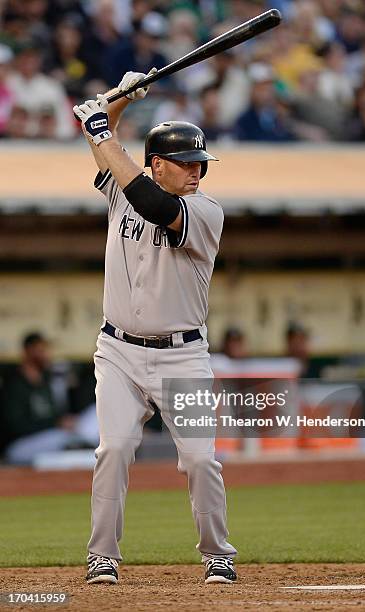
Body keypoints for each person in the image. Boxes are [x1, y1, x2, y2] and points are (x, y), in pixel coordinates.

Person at [73, 70, 237, 586]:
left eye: (200, 165)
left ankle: (217, 554)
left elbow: (152, 202)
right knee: (114, 448)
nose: (196, 173)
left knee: (199, 459)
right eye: (186, 164)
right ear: (157, 164)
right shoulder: (125, 189)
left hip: (182, 356)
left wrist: (101, 127)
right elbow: (110, 155)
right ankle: (103, 557)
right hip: (117, 352)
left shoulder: (204, 211)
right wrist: (120, 101)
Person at [2, 332, 78, 464]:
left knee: (76, 435)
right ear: (27, 352)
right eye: (40, 351)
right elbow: (16, 426)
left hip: (47, 439)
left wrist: (62, 422)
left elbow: (56, 415)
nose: (46, 355)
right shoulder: (14, 385)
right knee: (64, 440)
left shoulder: (47, 383)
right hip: (18, 445)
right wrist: (55, 423)